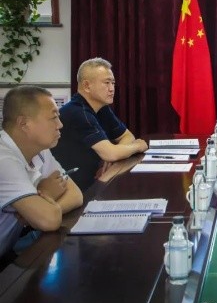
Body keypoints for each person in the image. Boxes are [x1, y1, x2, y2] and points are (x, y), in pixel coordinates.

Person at [0, 86, 83, 260]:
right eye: (53, 118)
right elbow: (49, 221)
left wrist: (44, 206)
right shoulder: (4, 159)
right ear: (24, 124)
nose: (60, 125)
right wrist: (45, 195)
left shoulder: (39, 149)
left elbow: (76, 195)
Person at [51, 57, 148, 191]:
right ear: (87, 86)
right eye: (106, 83)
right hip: (71, 188)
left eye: (113, 83)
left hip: (94, 181)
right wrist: (138, 146)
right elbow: (112, 153)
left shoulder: (101, 108)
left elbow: (127, 136)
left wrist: (113, 155)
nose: (112, 89)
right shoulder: (78, 112)